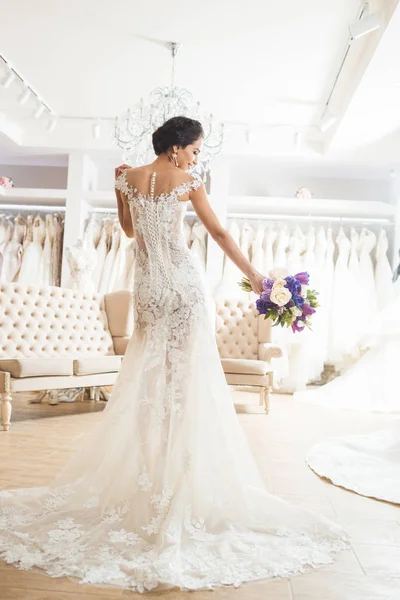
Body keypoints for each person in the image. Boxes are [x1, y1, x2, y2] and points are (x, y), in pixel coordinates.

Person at [0, 116, 347, 593]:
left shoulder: (125, 176)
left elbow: (126, 230)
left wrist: (122, 191)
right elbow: (220, 235)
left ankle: (151, 473)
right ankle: (177, 480)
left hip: (146, 290)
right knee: (184, 384)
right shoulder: (186, 180)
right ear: (177, 149)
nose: (196, 159)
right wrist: (260, 278)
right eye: (195, 151)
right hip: (182, 290)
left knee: (147, 383)